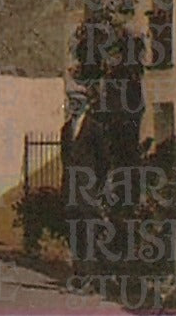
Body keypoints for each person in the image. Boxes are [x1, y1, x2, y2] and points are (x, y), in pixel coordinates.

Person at [60, 89, 109, 278]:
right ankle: (78, 275)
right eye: (71, 102)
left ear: (86, 105)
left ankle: (88, 279)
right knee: (74, 234)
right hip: (70, 191)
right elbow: (65, 160)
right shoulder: (65, 129)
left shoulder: (94, 128)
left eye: (78, 102)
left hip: (87, 191)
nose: (74, 106)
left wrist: (96, 186)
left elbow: (103, 161)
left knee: (88, 235)